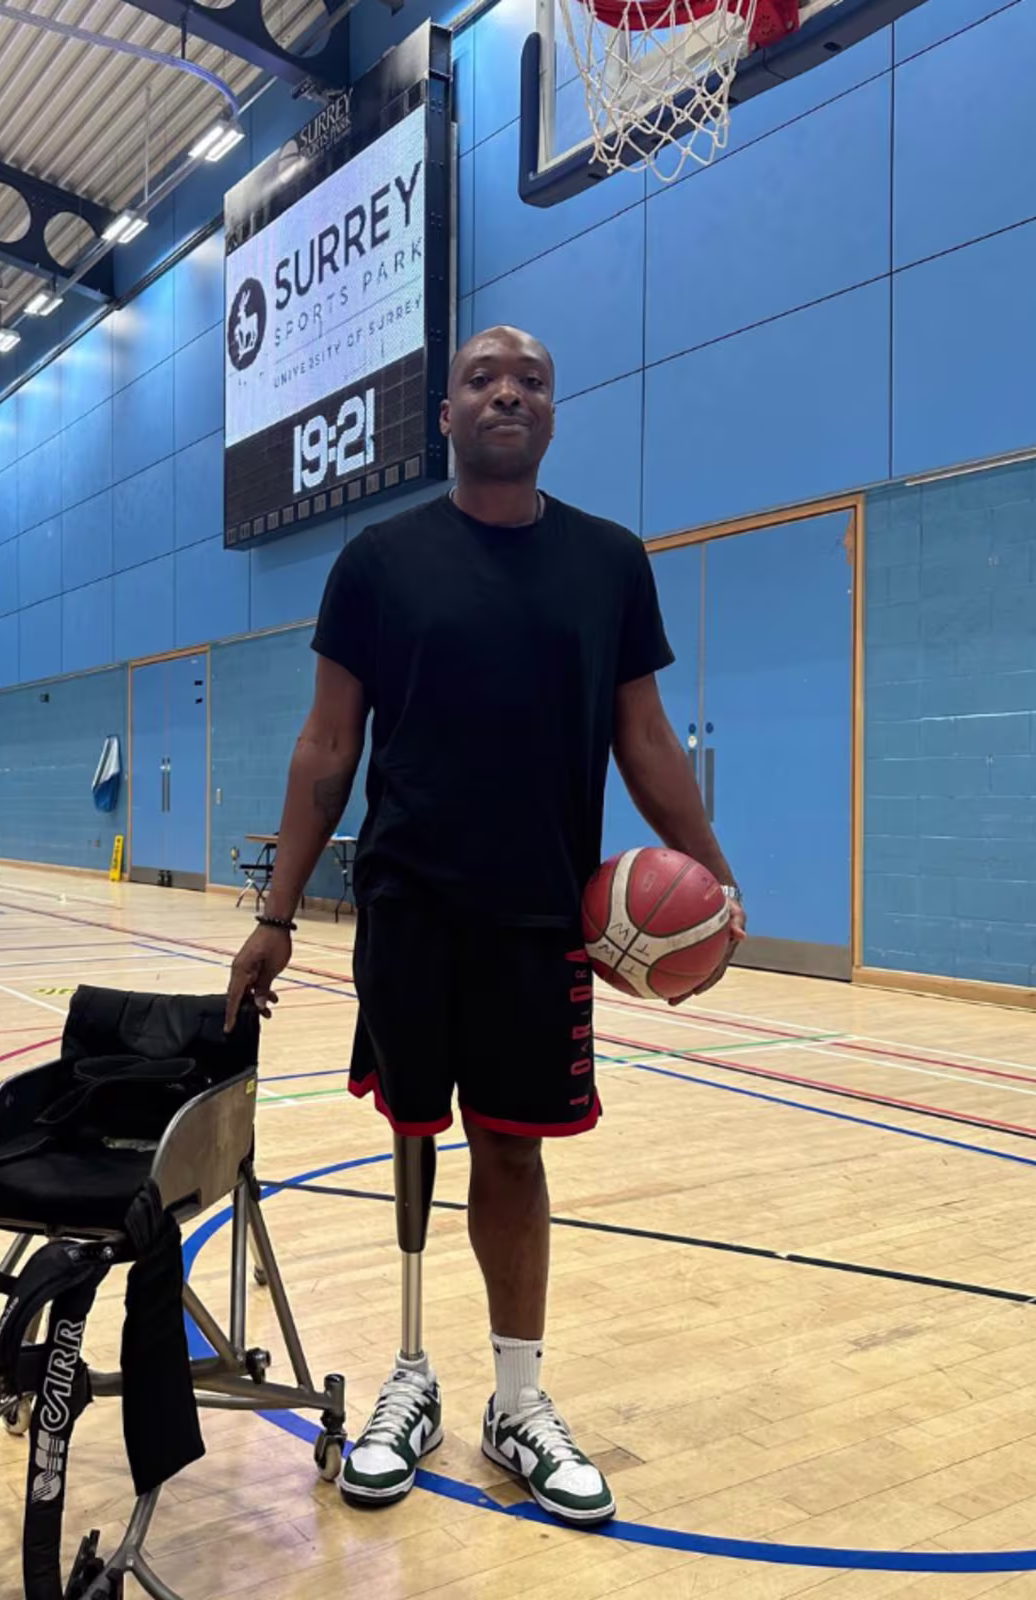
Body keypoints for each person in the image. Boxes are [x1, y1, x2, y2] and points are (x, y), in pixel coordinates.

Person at [224, 325, 745, 1527]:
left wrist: (714, 877)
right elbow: (326, 744)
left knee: (514, 1152)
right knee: (411, 1134)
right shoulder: (376, 560)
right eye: (481, 379)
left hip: (538, 920)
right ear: (444, 418)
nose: (507, 390)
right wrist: (278, 912)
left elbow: (646, 739)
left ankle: (517, 1398)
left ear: (552, 416)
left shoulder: (609, 563)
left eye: (532, 381)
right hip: (409, 907)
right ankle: (411, 1375)